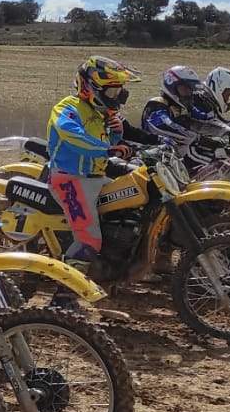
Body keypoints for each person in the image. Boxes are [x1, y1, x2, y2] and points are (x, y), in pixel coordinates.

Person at [44, 56, 150, 267]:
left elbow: (103, 145)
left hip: (96, 178)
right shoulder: (68, 108)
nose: (116, 98)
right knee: (89, 241)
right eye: (112, 92)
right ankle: (66, 285)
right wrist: (107, 149)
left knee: (129, 208)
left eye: (119, 92)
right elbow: (73, 136)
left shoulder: (99, 114)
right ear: (90, 87)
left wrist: (115, 136)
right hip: (71, 179)